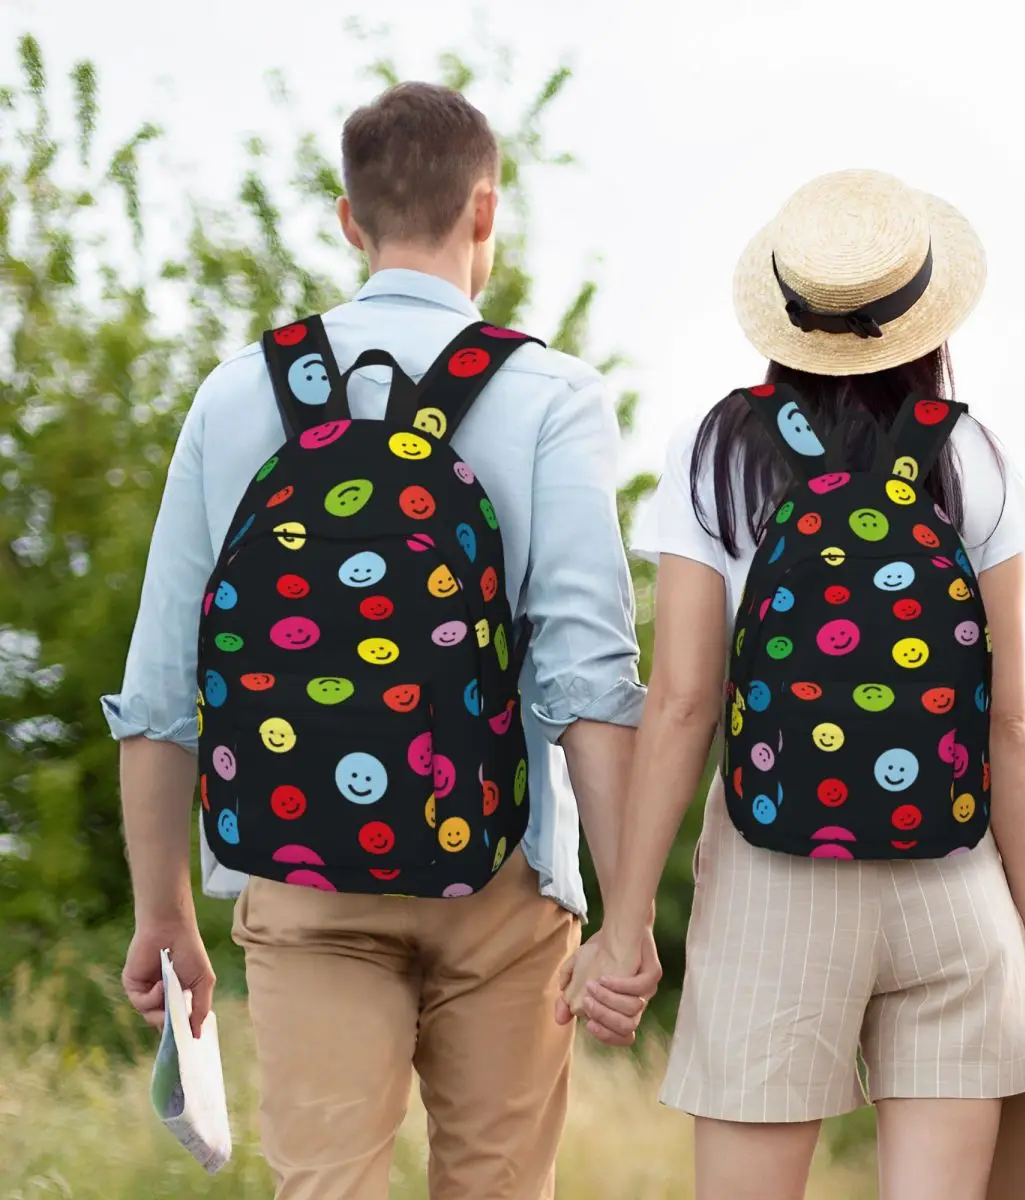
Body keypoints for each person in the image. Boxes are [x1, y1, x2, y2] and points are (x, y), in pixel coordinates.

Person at [105, 81, 660, 1200]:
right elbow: (587, 679)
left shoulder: (236, 396)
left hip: (300, 871)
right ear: (486, 213)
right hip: (502, 872)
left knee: (326, 1186)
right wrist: (627, 914)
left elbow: (162, 684)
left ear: (349, 219)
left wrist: (163, 911)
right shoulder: (550, 394)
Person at [562, 169, 1025, 1200]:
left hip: (773, 882)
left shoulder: (718, 453)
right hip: (954, 885)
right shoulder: (972, 457)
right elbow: (1009, 724)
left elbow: (681, 706)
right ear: (926, 317)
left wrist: (623, 927)